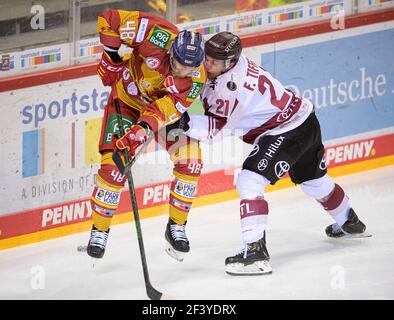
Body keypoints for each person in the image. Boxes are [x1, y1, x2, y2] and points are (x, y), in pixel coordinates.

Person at [183, 32, 371, 275]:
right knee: (314, 181)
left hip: (286, 131)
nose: (207, 64)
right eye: (206, 58)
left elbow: (214, 131)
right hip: (306, 121)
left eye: (214, 62)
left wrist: (183, 123)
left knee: (250, 180)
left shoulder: (230, 89)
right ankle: (350, 221)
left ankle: (255, 254)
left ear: (230, 63)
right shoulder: (232, 64)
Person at [88, 9, 206, 262]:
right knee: (113, 169)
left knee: (191, 162)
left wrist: (141, 131)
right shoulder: (156, 34)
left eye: (191, 68)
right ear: (171, 53)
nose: (184, 72)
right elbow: (109, 18)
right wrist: (111, 57)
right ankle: (100, 229)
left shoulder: (196, 78)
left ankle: (177, 226)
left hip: (158, 114)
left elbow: (164, 110)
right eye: (179, 65)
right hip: (127, 101)